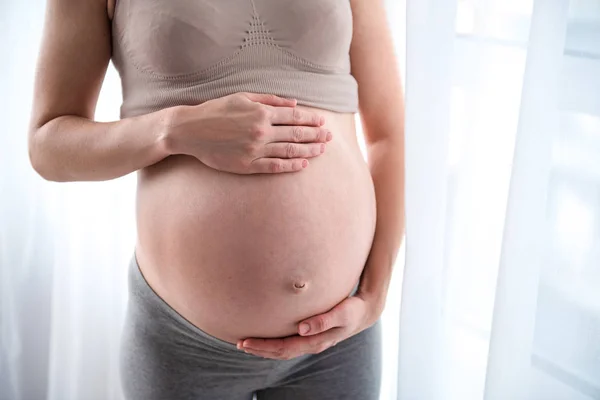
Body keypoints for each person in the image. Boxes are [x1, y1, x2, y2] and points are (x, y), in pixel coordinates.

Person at [28, 0, 405, 398]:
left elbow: (389, 135)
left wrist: (374, 296)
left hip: (337, 341)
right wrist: (175, 128)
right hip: (183, 347)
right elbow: (48, 146)